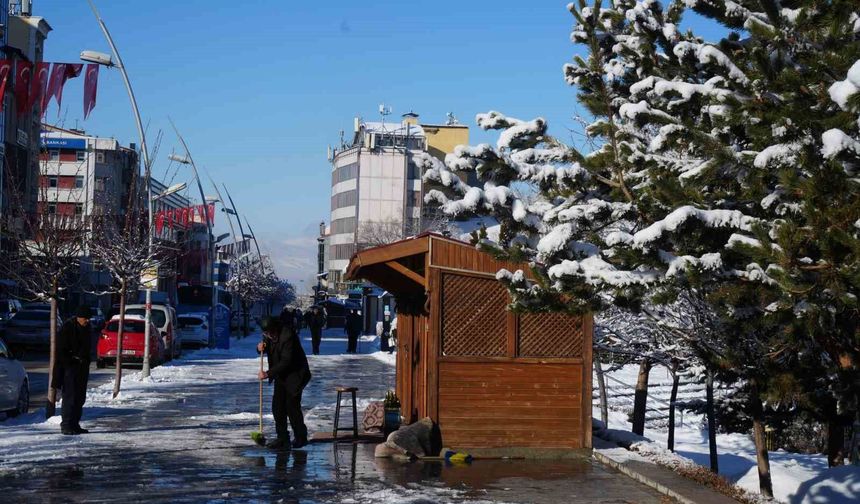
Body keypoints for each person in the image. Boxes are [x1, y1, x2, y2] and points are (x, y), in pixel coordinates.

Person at [257, 316, 311, 449]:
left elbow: (287, 361)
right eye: (266, 333)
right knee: (277, 408)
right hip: (281, 375)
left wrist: (268, 373)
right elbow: (267, 348)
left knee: (292, 407)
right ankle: (282, 438)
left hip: (295, 375)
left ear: (275, 328)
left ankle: (300, 437)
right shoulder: (269, 335)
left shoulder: (287, 336)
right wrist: (260, 348)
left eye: (270, 332)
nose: (268, 335)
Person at [53, 306, 93, 435]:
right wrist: (70, 362)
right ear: (78, 317)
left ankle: (75, 424)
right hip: (70, 368)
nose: (87, 320)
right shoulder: (68, 328)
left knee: (80, 397)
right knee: (70, 396)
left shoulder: (87, 329)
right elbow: (61, 350)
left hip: (82, 367)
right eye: (85, 318)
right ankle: (66, 424)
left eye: (88, 318)